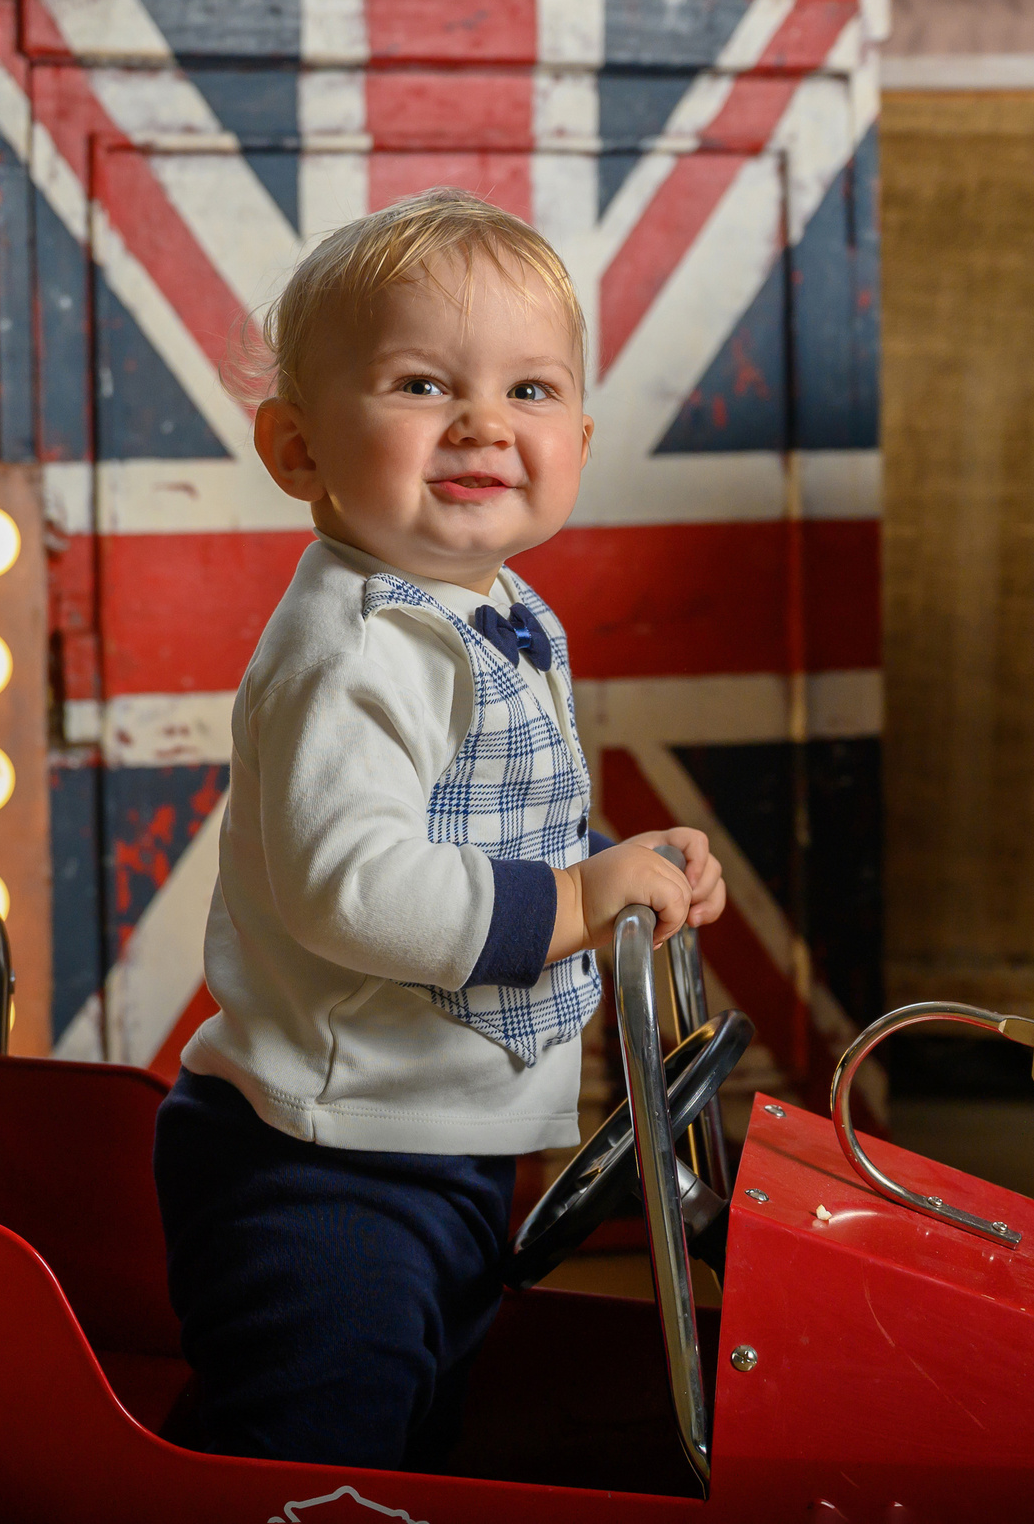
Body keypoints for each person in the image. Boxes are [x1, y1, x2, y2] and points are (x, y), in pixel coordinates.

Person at [153, 186, 728, 1472]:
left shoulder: (488, 608)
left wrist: (629, 868)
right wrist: (577, 902)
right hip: (323, 1163)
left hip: (444, 1131)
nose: (482, 422)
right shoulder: (355, 650)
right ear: (297, 449)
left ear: (580, 437)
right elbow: (353, 888)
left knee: (417, 1426)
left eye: (529, 390)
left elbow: (507, 809)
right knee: (318, 1445)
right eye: (420, 385)